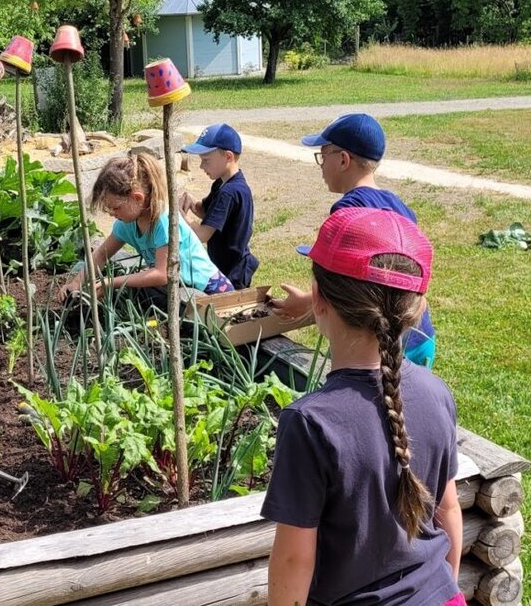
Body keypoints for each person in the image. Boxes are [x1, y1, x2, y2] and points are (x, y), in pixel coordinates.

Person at [263, 208, 463, 606]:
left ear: (318, 300)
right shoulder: (437, 391)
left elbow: (293, 559)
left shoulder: (309, 422)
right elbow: (449, 510)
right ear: (416, 309)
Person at [269, 113, 437, 368]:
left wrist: (306, 302)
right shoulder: (399, 205)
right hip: (418, 333)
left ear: (343, 159)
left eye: (323, 156)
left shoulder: (348, 213)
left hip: (381, 345)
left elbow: (351, 286)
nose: (322, 165)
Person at [61, 152, 234, 306]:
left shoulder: (164, 221)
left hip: (210, 290)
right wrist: (76, 282)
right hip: (181, 289)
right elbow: (100, 255)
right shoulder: (126, 224)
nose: (113, 214)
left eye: (115, 208)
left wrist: (112, 282)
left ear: (137, 198)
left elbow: (162, 274)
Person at [179, 123, 259, 289]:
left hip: (232, 271)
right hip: (224, 265)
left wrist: (181, 216)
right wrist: (193, 203)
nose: (201, 166)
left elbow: (202, 235)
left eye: (206, 160)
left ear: (228, 157)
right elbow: (209, 213)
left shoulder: (229, 192)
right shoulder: (222, 184)